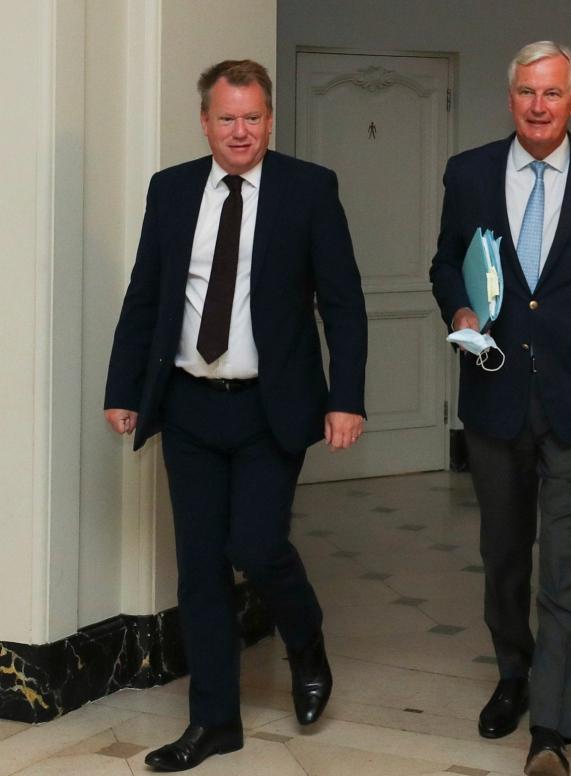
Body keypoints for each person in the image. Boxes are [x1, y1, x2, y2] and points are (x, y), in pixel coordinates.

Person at [103, 59, 367, 772]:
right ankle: (214, 722)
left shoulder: (308, 189)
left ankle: (305, 640)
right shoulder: (172, 189)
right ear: (206, 121)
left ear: (270, 119)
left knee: (255, 546)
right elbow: (146, 296)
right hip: (188, 404)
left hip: (269, 407)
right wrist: (123, 388)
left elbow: (342, 301)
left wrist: (347, 397)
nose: (241, 130)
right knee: (198, 570)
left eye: (253, 117)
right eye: (227, 117)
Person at [429, 41, 571, 776]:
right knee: (503, 558)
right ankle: (513, 673)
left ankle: (550, 730)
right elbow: (445, 259)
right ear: (511, 97)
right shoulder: (468, 174)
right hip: (494, 399)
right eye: (526, 91)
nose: (539, 105)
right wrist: (458, 304)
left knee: (566, 570)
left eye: (552, 93)